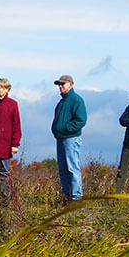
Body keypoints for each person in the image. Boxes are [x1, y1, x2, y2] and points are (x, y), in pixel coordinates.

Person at [51, 74, 87, 202]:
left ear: (71, 84)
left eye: (63, 84)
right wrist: (56, 129)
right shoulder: (62, 102)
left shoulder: (76, 100)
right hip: (60, 138)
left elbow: (81, 120)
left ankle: (76, 197)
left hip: (71, 139)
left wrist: (65, 128)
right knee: (63, 168)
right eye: (59, 85)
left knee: (72, 168)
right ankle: (66, 196)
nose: (60, 87)